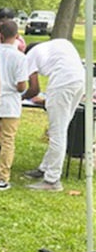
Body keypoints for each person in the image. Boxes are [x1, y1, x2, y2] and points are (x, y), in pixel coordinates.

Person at [22, 39, 84, 191]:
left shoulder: (30, 56)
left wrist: (19, 97)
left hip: (62, 84)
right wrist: (48, 101)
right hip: (80, 82)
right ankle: (44, 168)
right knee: (60, 127)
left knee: (57, 132)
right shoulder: (58, 44)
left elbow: (34, 89)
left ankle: (52, 180)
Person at [0, 20, 28, 191]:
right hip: (11, 104)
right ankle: (3, 178)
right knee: (8, 141)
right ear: (17, 36)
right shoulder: (20, 57)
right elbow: (21, 85)